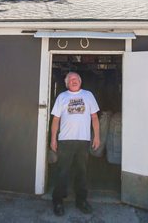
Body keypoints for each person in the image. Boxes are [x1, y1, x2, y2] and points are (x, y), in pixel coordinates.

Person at [50, 72, 100, 216]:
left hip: (83, 140)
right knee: (62, 172)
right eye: (71, 79)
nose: (74, 81)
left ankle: (81, 201)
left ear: (81, 81)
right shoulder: (62, 97)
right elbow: (55, 120)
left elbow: (95, 117)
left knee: (82, 172)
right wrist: (53, 138)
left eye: (76, 79)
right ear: (66, 83)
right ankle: (58, 201)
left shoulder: (88, 95)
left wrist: (96, 137)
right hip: (65, 140)